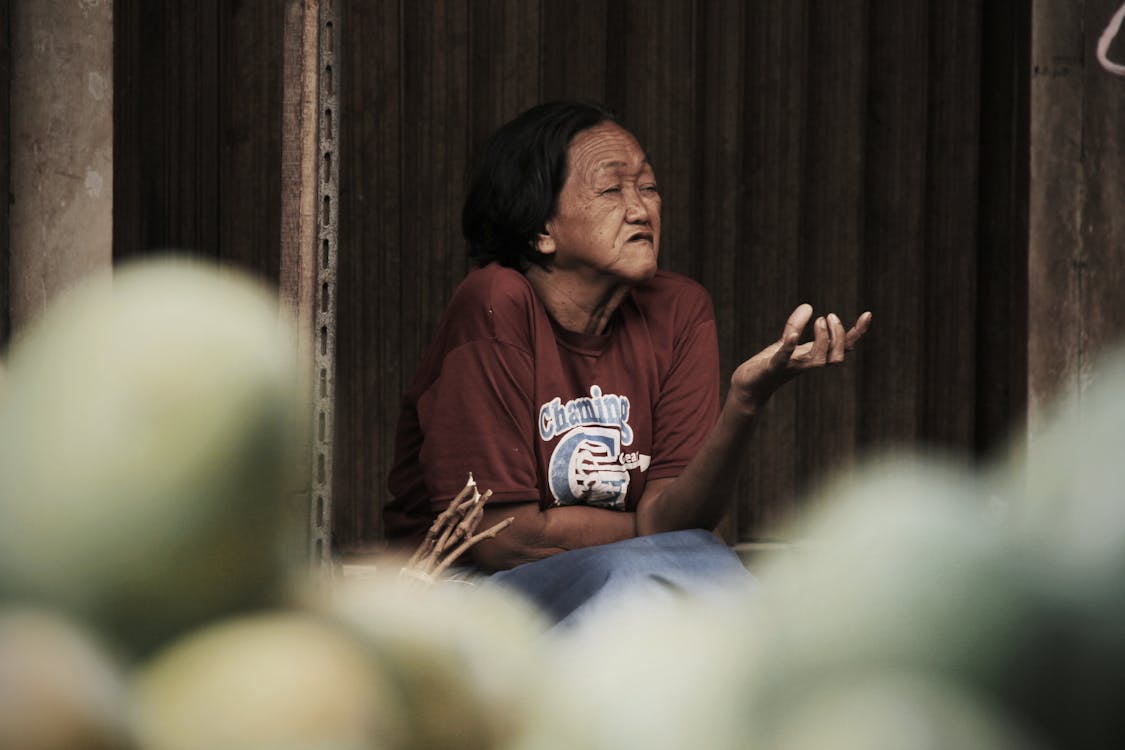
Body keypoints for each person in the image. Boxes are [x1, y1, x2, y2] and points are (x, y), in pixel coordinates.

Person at [384, 101, 871, 628]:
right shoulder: (495, 301)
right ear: (541, 229)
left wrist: (745, 403)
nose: (641, 209)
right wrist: (649, 531)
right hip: (467, 597)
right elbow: (505, 540)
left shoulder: (678, 309)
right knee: (668, 582)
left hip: (625, 574)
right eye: (612, 190)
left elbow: (677, 521)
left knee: (707, 575)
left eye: (650, 187)